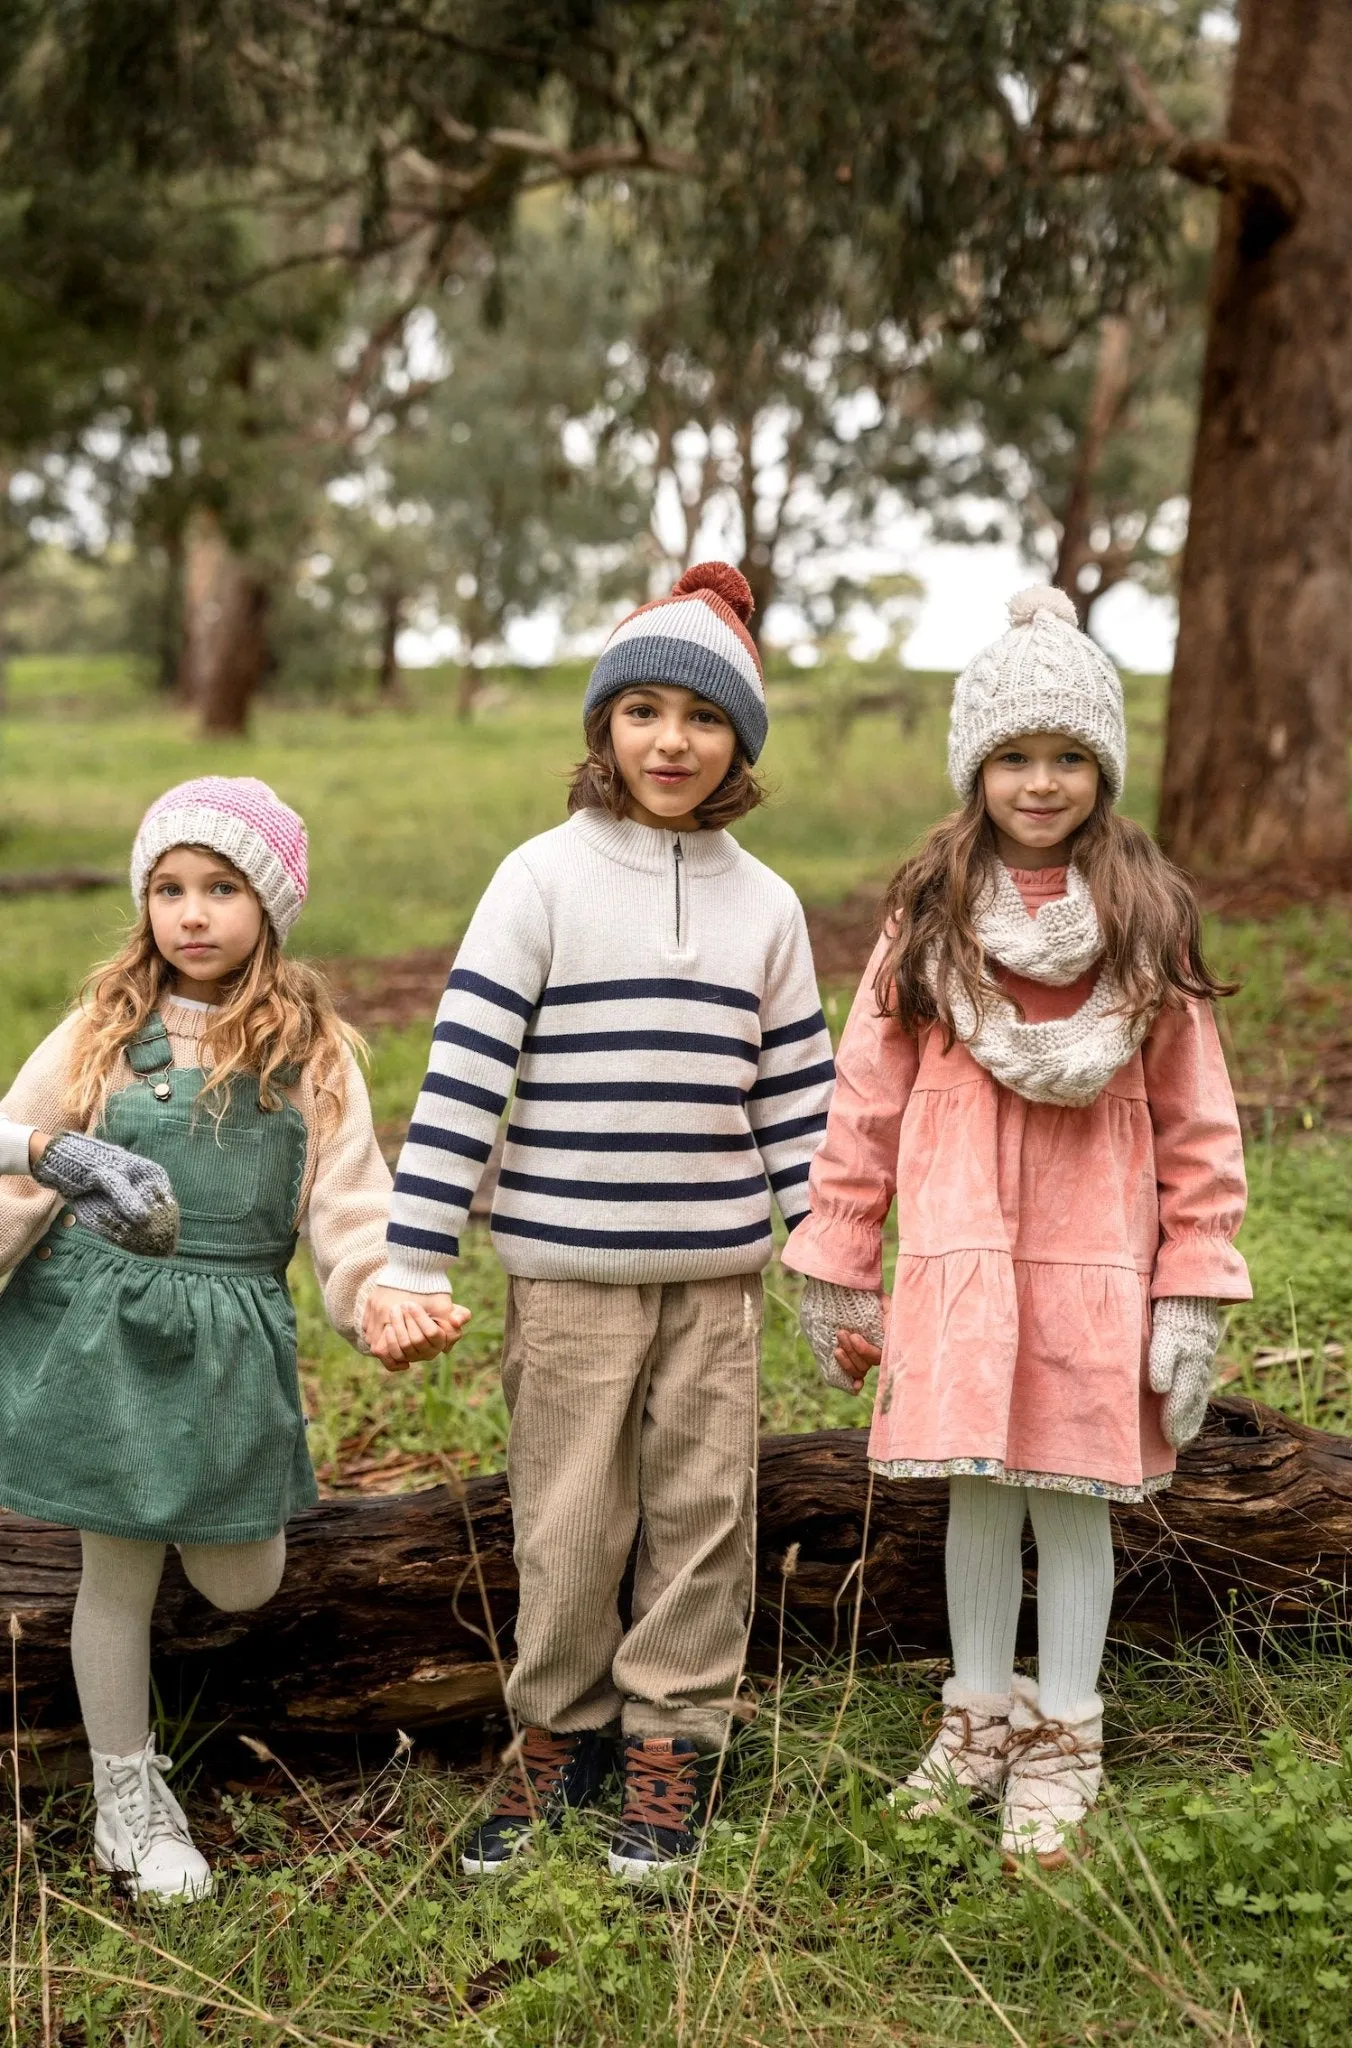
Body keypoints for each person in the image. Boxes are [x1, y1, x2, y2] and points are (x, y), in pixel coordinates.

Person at [368, 563, 834, 1881]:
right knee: (567, 1515)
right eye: (639, 712)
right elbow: (463, 1074)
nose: (668, 742)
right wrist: (415, 1254)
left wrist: (836, 1267)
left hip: (717, 1281)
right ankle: (556, 1729)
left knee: (700, 1510)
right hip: (567, 1273)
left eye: (698, 719)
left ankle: (673, 1739)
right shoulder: (540, 880)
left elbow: (801, 1103)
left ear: (737, 740)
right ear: (601, 731)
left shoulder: (769, 906)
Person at [787, 587, 1250, 1868]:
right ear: (973, 767)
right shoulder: (929, 915)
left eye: (1065, 756)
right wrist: (839, 1256)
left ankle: (1066, 1731)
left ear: (1100, 766)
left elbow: (1198, 1118)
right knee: (978, 1493)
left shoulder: (1144, 919)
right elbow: (865, 1096)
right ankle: (978, 1716)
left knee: (1070, 1499)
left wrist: (1194, 1286)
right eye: (1012, 755)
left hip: (1098, 1262)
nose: (1038, 782)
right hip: (961, 1253)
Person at [0, 776, 465, 1901]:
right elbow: (20, 1153)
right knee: (116, 1570)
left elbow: (349, 1207)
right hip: (105, 1323)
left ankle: (180, 1632)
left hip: (229, 1338)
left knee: (243, 1577)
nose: (192, 912)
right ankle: (127, 1796)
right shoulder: (106, 1027)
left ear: (270, 905)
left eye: (221, 887)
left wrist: (381, 1298)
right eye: (169, 887)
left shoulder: (311, 1049)